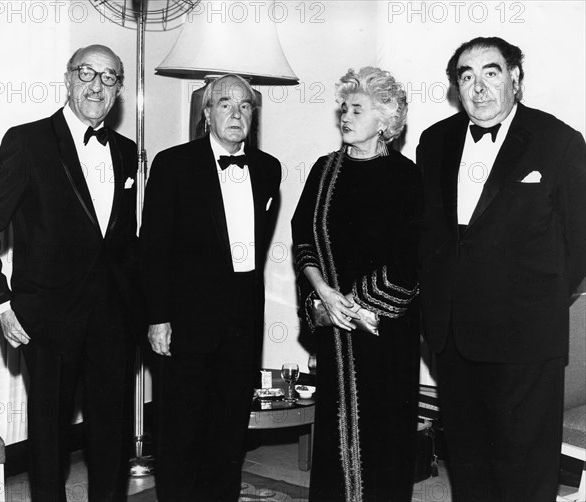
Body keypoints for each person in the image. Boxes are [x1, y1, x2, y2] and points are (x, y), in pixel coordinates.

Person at [417, 36, 586, 501]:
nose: (478, 87)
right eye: (466, 76)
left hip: (525, 336)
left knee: (524, 464)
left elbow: (580, 242)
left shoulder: (559, 142)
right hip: (452, 335)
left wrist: (538, 300)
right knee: (469, 461)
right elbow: (430, 239)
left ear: (516, 78)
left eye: (490, 72)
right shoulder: (434, 143)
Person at [0, 45, 140, 501]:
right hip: (47, 320)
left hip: (113, 320)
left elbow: (122, 242)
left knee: (111, 436)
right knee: (49, 438)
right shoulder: (28, 141)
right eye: (87, 73)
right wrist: (0, 303)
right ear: (68, 78)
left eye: (109, 77)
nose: (96, 85)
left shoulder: (128, 152)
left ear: (118, 90)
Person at [140, 74, 281, 501]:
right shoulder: (173, 163)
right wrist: (157, 317)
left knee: (228, 429)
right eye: (224, 104)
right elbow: (154, 248)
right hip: (186, 320)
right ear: (206, 114)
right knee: (181, 432)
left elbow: (255, 249)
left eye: (245, 106)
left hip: (242, 322)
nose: (236, 113)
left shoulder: (268, 168)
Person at [291, 67, 421, 502]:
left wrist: (357, 305)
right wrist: (323, 298)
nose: (345, 116)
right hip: (333, 325)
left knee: (383, 435)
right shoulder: (324, 170)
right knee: (335, 432)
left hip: (382, 330)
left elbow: (411, 258)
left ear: (385, 119)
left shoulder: (406, 177)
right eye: (343, 108)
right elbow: (303, 238)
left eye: (357, 108)